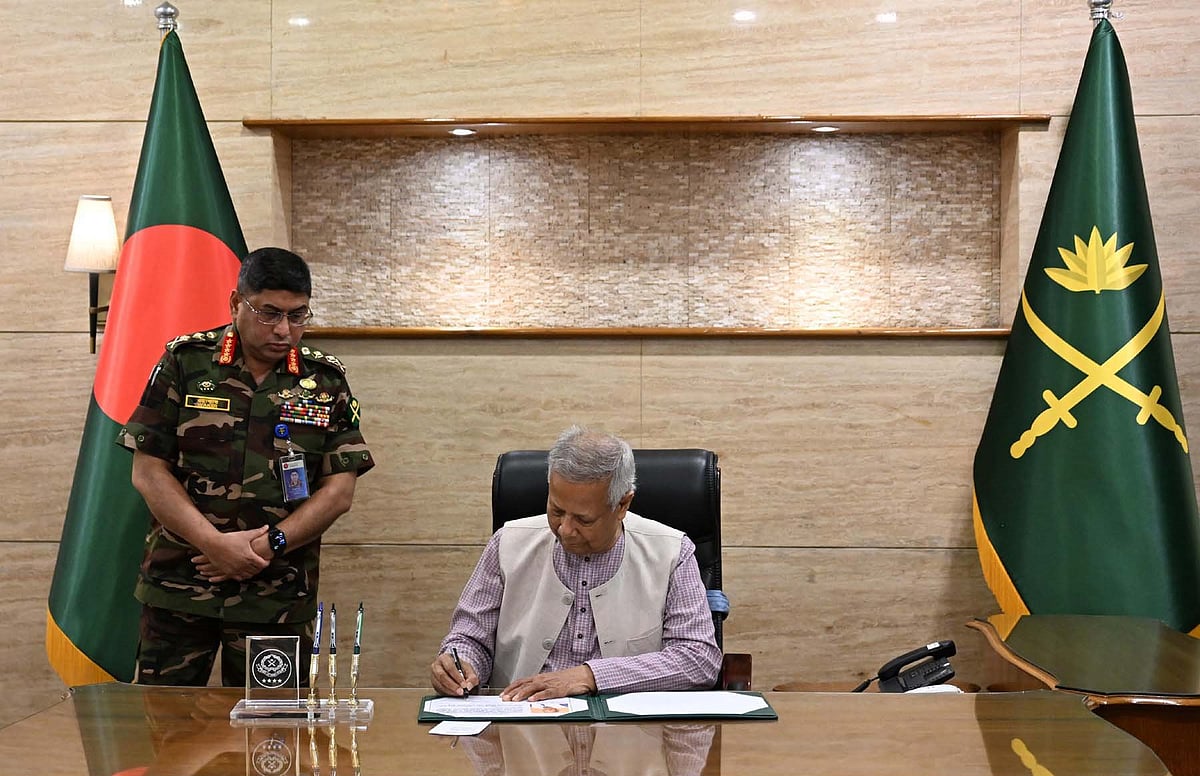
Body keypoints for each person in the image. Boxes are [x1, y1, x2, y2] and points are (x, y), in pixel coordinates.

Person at [119, 246, 375, 686]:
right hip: (181, 586)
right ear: (236, 303)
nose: (284, 330)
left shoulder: (325, 381)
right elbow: (148, 472)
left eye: (298, 315)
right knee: (166, 723)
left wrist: (267, 546)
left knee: (273, 725)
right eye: (269, 313)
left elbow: (339, 491)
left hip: (275, 594)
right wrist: (216, 545)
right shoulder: (186, 363)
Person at [431, 426, 721, 701]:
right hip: (521, 724)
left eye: (584, 519)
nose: (566, 529)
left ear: (622, 504)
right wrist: (460, 664)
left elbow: (698, 659)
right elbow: (470, 638)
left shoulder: (672, 553)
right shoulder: (506, 544)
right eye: (556, 511)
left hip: (628, 731)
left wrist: (591, 676)